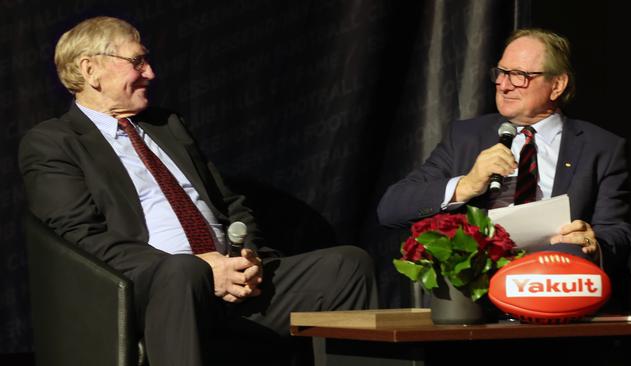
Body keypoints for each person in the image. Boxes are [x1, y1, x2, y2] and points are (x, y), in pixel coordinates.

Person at [19, 16, 377, 366]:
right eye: (137, 61)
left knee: (346, 266)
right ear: (90, 69)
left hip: (227, 278)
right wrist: (198, 268)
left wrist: (246, 256)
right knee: (183, 272)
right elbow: (80, 236)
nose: (150, 73)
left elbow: (231, 204)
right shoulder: (54, 142)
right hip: (147, 285)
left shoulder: (168, 126)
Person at [377, 28, 631, 273]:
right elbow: (391, 208)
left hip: (559, 277)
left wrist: (593, 243)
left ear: (557, 85)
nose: (503, 84)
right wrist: (466, 185)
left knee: (571, 253)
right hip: (480, 282)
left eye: (519, 75)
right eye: (500, 72)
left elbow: (617, 232)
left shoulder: (600, 147)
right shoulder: (466, 136)